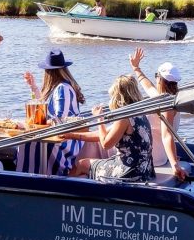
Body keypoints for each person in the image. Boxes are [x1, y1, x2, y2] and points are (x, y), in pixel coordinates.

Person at [68, 75, 154, 182]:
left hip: (129, 171)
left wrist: (99, 118)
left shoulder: (124, 117)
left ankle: (62, 192)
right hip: (144, 169)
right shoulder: (139, 113)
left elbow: (105, 144)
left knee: (81, 164)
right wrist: (71, 135)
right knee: (93, 162)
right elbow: (101, 134)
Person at [22, 49, 85, 174]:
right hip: (62, 134)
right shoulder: (60, 87)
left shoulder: (62, 88)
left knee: (28, 142)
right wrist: (33, 86)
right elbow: (44, 106)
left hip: (67, 140)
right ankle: (32, 173)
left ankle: (33, 175)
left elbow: (60, 119)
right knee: (28, 139)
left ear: (48, 72)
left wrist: (37, 126)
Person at [129, 48, 187, 181]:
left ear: (160, 80)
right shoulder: (169, 98)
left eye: (156, 75)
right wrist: (136, 68)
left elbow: (167, 135)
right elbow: (148, 86)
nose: (155, 79)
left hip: (154, 156)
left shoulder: (166, 105)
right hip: (157, 154)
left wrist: (174, 164)